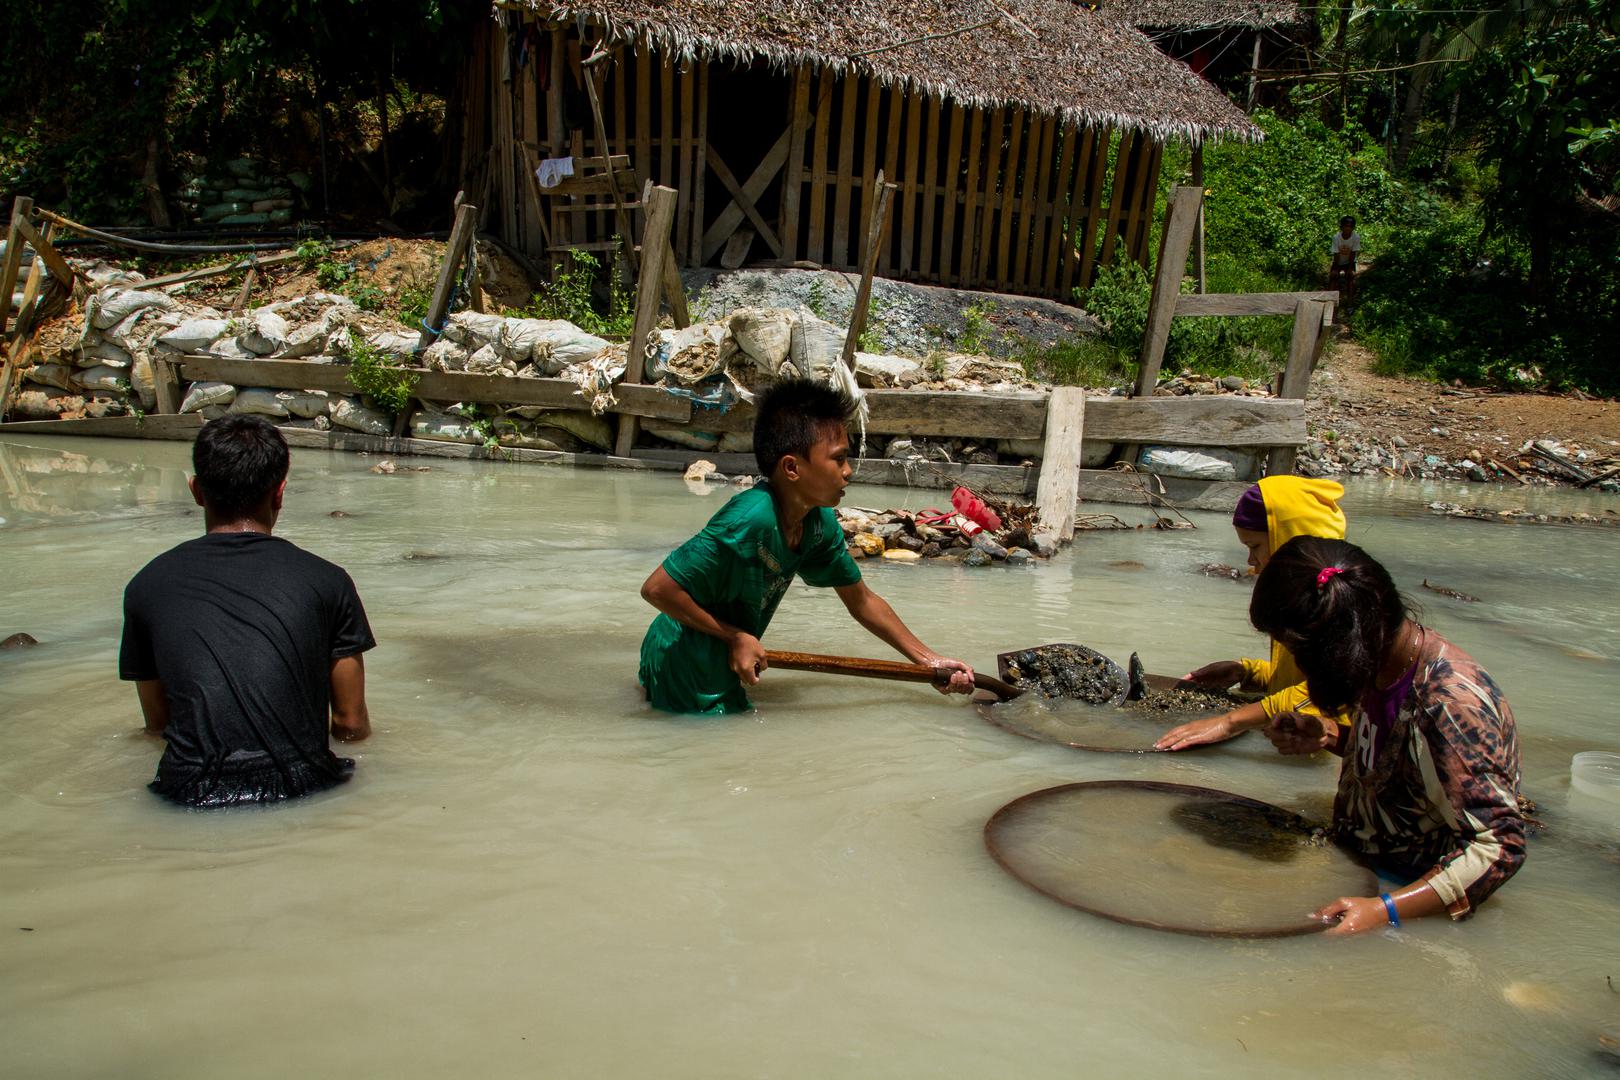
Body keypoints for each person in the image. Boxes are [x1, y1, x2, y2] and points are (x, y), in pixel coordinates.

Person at [639, 378, 975, 714]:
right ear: (791, 467)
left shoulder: (818, 523)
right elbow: (658, 589)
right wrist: (734, 637)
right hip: (684, 650)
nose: (848, 472)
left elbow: (863, 601)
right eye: (838, 459)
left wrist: (929, 662)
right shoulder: (748, 520)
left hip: (727, 648)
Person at [1253, 536, 1524, 935]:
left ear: (1337, 647)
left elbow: (1500, 846)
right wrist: (1330, 738)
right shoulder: (1382, 660)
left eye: (1295, 648)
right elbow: (1409, 766)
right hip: (1363, 864)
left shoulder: (1448, 704)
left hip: (1408, 891)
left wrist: (1385, 911)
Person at [119, 415, 375, 807]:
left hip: (187, 796)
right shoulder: (328, 581)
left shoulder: (145, 585)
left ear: (196, 490)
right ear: (280, 493)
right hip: (306, 790)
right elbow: (350, 725)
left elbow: (158, 725)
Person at [1156, 476, 1353, 751]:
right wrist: (1247, 673)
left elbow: (1326, 692)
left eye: (1255, 547)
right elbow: (1299, 678)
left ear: (1288, 537)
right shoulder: (1300, 599)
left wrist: (1229, 722)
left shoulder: (1337, 601)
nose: (1251, 561)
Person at [1328, 215, 1361, 306]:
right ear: (1341, 227)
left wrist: (1350, 269)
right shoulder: (1336, 237)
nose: (1348, 229)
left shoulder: (1356, 237)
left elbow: (1353, 253)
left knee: (1350, 278)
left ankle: (1350, 302)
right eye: (1346, 226)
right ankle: (1330, 302)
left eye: (1350, 227)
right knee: (1333, 277)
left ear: (1353, 228)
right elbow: (1336, 254)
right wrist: (1336, 269)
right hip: (1338, 261)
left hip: (1349, 262)